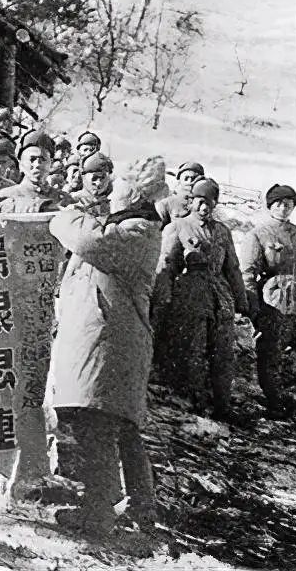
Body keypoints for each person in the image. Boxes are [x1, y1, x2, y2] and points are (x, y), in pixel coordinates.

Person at [49, 158, 167, 535]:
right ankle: (137, 507)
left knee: (97, 425)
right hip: (107, 340)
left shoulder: (138, 230)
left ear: (132, 193)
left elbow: (89, 241)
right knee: (113, 424)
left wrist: (65, 215)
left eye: (118, 186)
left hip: (111, 343)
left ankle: (97, 513)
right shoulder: (128, 226)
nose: (111, 192)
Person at [152, 177, 248, 420]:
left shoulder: (222, 231)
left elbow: (233, 268)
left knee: (223, 354)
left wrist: (242, 300)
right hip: (190, 298)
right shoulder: (177, 227)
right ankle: (195, 405)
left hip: (220, 298)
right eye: (200, 202)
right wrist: (164, 298)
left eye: (210, 203)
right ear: (191, 201)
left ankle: (222, 406)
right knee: (193, 350)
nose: (205, 208)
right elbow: (167, 266)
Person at [240, 184, 296, 419]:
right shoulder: (258, 234)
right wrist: (252, 306)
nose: (283, 208)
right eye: (278, 204)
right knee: (271, 353)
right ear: (269, 206)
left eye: (288, 204)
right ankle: (275, 402)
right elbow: (248, 273)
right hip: (272, 299)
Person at [0, 130, 66, 213]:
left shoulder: (62, 198)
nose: (37, 164)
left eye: (43, 159)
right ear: (21, 164)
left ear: (50, 164)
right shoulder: (4, 196)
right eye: (32, 159)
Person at [155, 161, 204, 226]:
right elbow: (160, 228)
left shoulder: (205, 204)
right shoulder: (165, 204)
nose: (190, 181)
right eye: (186, 178)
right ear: (179, 179)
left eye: (194, 178)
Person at [70, 152, 113, 217]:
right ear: (83, 177)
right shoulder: (72, 201)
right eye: (94, 178)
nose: (98, 183)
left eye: (103, 178)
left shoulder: (104, 203)